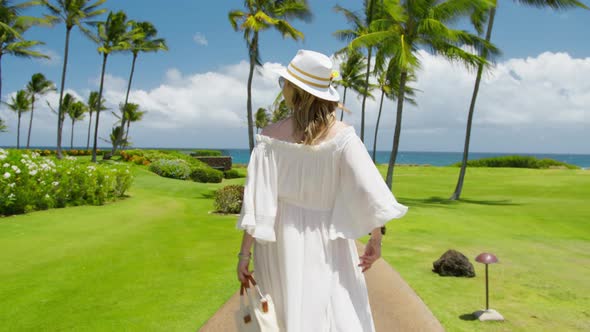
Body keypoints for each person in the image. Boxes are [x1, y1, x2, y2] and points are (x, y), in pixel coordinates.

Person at [235, 49, 408, 332]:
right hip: (327, 237)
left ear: (294, 90)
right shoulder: (343, 137)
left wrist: (244, 255)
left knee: (283, 311)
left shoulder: (268, 138)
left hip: (278, 240)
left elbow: (257, 202)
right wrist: (375, 237)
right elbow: (369, 189)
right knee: (331, 309)